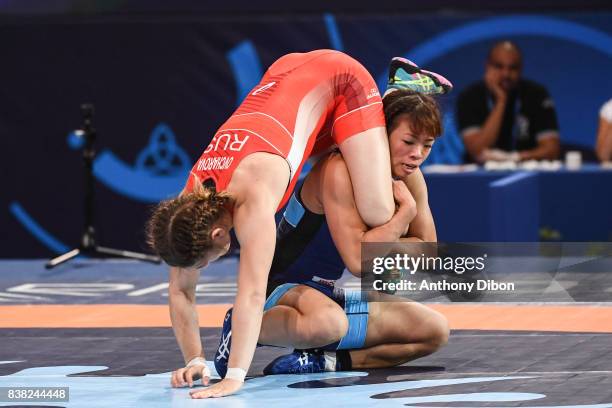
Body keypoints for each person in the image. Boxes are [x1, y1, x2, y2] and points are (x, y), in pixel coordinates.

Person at [146, 50, 451, 398]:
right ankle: (325, 359)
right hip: (287, 75)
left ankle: (394, 95)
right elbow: (179, 289)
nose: (416, 153)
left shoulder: (253, 199)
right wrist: (195, 360)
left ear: (217, 235)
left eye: (203, 263)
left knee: (380, 210)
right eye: (409, 142)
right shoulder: (191, 201)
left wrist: (234, 376)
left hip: (339, 80)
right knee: (376, 241)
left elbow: (251, 294)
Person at [212, 86, 449, 380]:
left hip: (323, 294)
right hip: (278, 288)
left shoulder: (409, 176)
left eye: (427, 145)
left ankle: (325, 361)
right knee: (329, 324)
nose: (417, 155)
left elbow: (428, 253)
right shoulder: (339, 169)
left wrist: (387, 242)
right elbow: (358, 260)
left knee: (434, 331)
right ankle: (240, 328)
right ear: (381, 137)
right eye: (409, 141)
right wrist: (404, 217)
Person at [457, 40, 560, 163]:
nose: (506, 74)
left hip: (526, 172)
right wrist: (501, 101)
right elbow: (477, 150)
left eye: (512, 68)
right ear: (487, 66)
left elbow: (552, 149)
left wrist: (514, 158)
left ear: (521, 69)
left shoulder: (537, 94)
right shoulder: (469, 96)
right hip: (479, 175)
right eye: (499, 66)